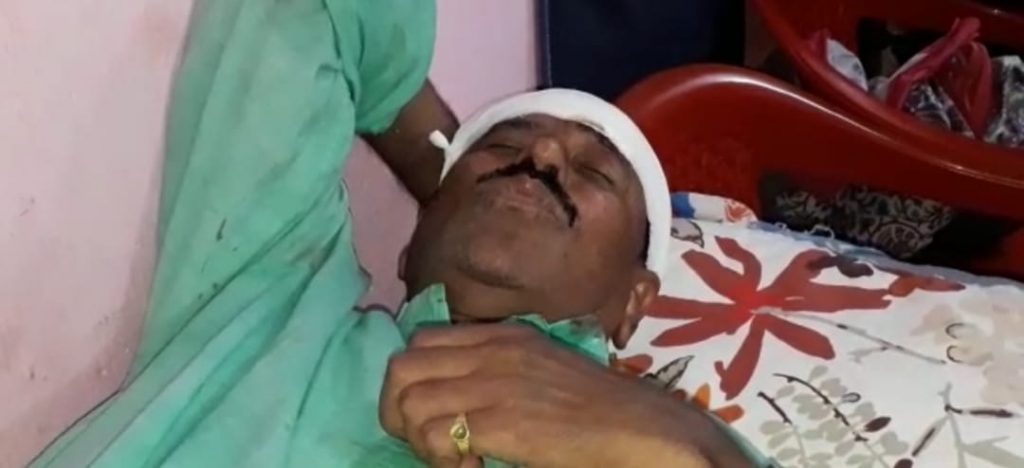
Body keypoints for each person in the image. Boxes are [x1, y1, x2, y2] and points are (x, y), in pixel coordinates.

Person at [32, 0, 770, 467]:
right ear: (411, 248)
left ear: (635, 302)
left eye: (596, 172)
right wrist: (447, 171)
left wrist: (677, 443)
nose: (544, 152)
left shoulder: (652, 444)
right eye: (505, 142)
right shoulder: (267, 307)